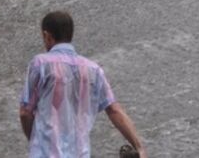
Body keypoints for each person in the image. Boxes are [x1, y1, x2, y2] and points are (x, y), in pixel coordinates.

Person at [20, 11, 147, 158]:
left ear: (47, 36)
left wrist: (34, 139)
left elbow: (25, 113)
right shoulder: (93, 70)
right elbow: (114, 110)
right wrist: (139, 147)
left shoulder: (40, 64)